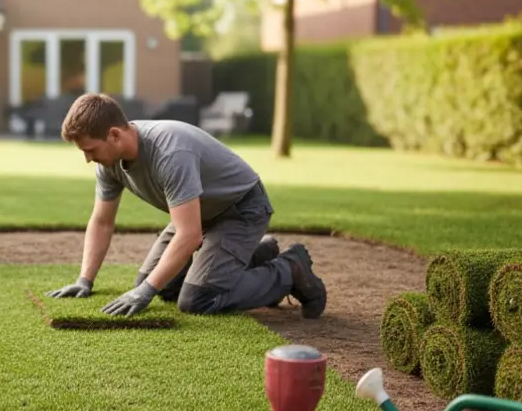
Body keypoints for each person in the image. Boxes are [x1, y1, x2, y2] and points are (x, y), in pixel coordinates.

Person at [44, 93, 327, 319]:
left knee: (197, 299)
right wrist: (85, 280)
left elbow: (189, 235)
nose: (87, 159)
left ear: (115, 135)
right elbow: (102, 221)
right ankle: (258, 252)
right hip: (199, 213)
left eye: (89, 150)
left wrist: (145, 291)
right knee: (159, 285)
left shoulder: (170, 153)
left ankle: (290, 269)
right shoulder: (109, 163)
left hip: (241, 209)